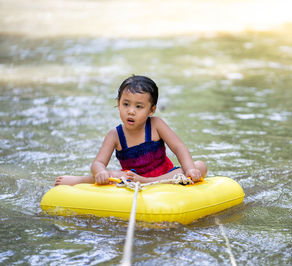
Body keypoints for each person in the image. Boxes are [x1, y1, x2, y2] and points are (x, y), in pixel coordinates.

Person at [54, 75, 207, 186]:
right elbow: (98, 162)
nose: (131, 111)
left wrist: (189, 170)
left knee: (199, 166)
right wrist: (100, 172)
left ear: (151, 110)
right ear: (118, 103)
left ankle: (148, 182)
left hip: (163, 175)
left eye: (138, 106)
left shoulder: (156, 125)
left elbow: (179, 148)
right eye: (126, 104)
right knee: (112, 175)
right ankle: (80, 180)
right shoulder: (115, 135)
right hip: (131, 178)